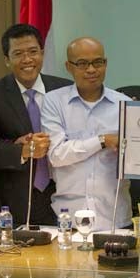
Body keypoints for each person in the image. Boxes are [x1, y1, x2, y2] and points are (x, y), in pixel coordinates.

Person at [0, 24, 72, 227]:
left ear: (42, 53)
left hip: (62, 192)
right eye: (18, 54)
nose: (27, 60)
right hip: (13, 200)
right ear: (6, 60)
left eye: (33, 52)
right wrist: (22, 151)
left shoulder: (65, 89)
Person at [41, 37, 131, 231]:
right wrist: (102, 141)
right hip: (68, 218)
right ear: (69, 67)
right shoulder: (54, 102)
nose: (91, 69)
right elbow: (56, 155)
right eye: (82, 63)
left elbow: (139, 160)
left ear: (105, 64)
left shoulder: (125, 105)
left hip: (115, 218)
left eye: (98, 62)